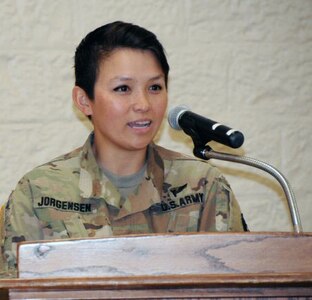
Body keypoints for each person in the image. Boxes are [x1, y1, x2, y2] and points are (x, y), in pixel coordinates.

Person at [1, 21, 247, 277]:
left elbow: (236, 286)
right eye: (123, 89)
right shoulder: (38, 191)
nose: (143, 104)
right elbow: (16, 291)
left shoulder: (204, 185)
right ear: (84, 101)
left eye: (155, 87)